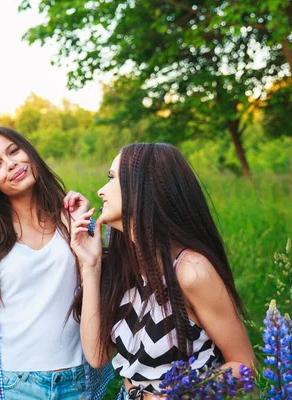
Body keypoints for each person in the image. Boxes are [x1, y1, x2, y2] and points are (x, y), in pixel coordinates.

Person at [70, 143, 256, 400]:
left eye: (112, 178)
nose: (101, 191)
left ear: (143, 187)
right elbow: (96, 355)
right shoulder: (128, 266)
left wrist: (181, 394)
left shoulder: (191, 271)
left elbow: (244, 366)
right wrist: (90, 265)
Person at [0, 126, 113, 400]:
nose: (11, 164)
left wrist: (84, 229)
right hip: (13, 384)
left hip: (77, 380)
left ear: (30, 152)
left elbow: (97, 295)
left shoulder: (73, 221)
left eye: (14, 151)